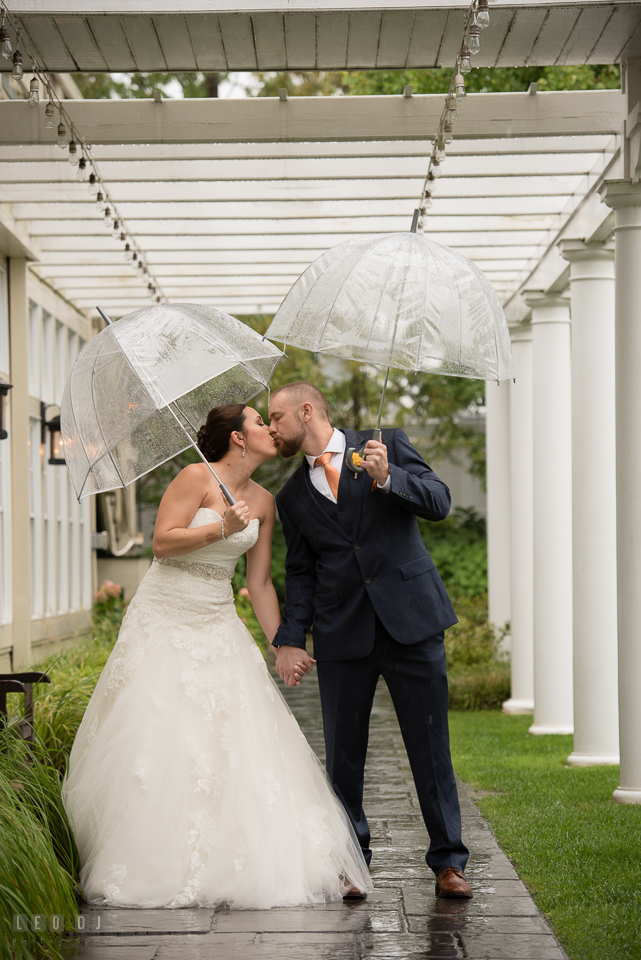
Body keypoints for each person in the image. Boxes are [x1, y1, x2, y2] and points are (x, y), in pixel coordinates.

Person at [61, 403, 372, 910]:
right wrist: (221, 526)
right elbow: (163, 544)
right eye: (259, 422)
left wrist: (282, 646)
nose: (271, 429)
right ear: (237, 438)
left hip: (217, 619)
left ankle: (258, 858)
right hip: (165, 618)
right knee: (163, 735)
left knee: (240, 740)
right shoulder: (193, 478)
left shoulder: (267, 501)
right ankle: (156, 858)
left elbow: (259, 583)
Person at [268, 382, 472, 899]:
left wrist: (389, 477)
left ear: (306, 411)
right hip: (342, 634)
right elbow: (301, 575)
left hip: (412, 623)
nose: (271, 428)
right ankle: (352, 863)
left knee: (430, 748)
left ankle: (449, 863)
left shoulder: (388, 443)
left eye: (276, 417)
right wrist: (288, 639)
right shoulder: (292, 496)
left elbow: (440, 502)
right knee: (343, 758)